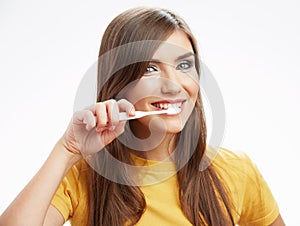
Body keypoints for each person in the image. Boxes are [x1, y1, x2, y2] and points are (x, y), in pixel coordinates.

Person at [0, 7, 285, 226]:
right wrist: (67, 150)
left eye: (184, 65)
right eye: (150, 68)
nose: (174, 84)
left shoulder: (238, 171)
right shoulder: (81, 175)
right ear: (118, 81)